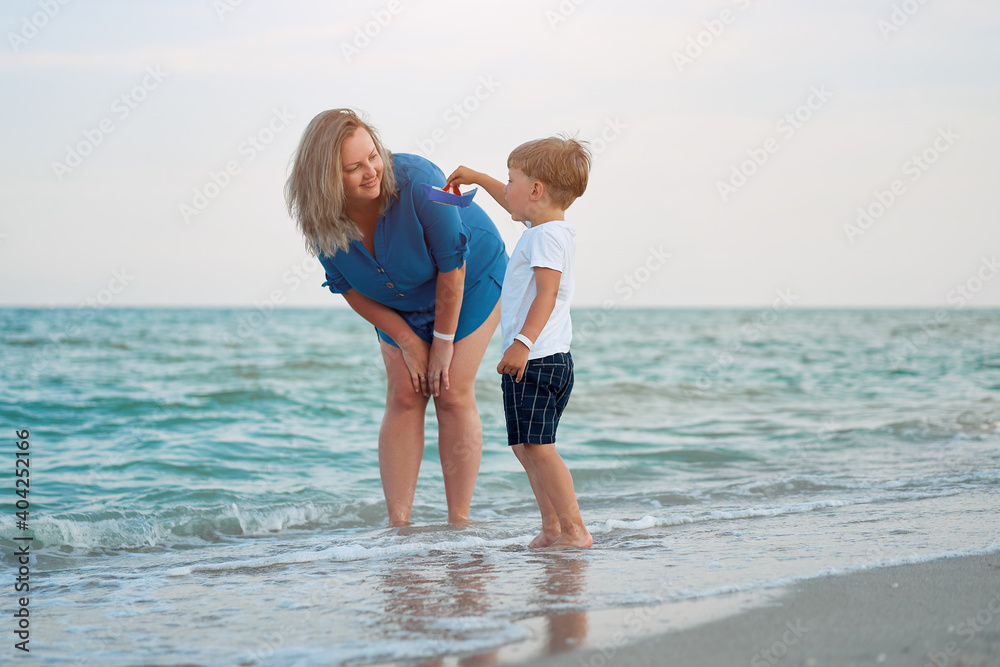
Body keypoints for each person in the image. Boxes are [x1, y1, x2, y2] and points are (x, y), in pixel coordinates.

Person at [285, 109, 507, 527]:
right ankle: (398, 528)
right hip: (396, 301)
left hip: (470, 277)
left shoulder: (422, 179)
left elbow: (452, 267)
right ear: (325, 180)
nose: (371, 171)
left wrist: (441, 344)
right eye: (354, 168)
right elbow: (346, 286)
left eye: (374, 156)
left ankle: (459, 523)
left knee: (451, 389)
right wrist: (408, 341)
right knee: (405, 393)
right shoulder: (320, 219)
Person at [446, 136, 593, 549]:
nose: (505, 188)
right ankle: (552, 528)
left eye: (512, 180)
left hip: (537, 358)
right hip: (542, 357)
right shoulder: (546, 227)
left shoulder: (546, 236)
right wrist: (477, 178)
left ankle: (574, 529)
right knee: (526, 447)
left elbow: (547, 292)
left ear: (536, 190)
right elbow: (513, 204)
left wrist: (522, 344)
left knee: (540, 449)